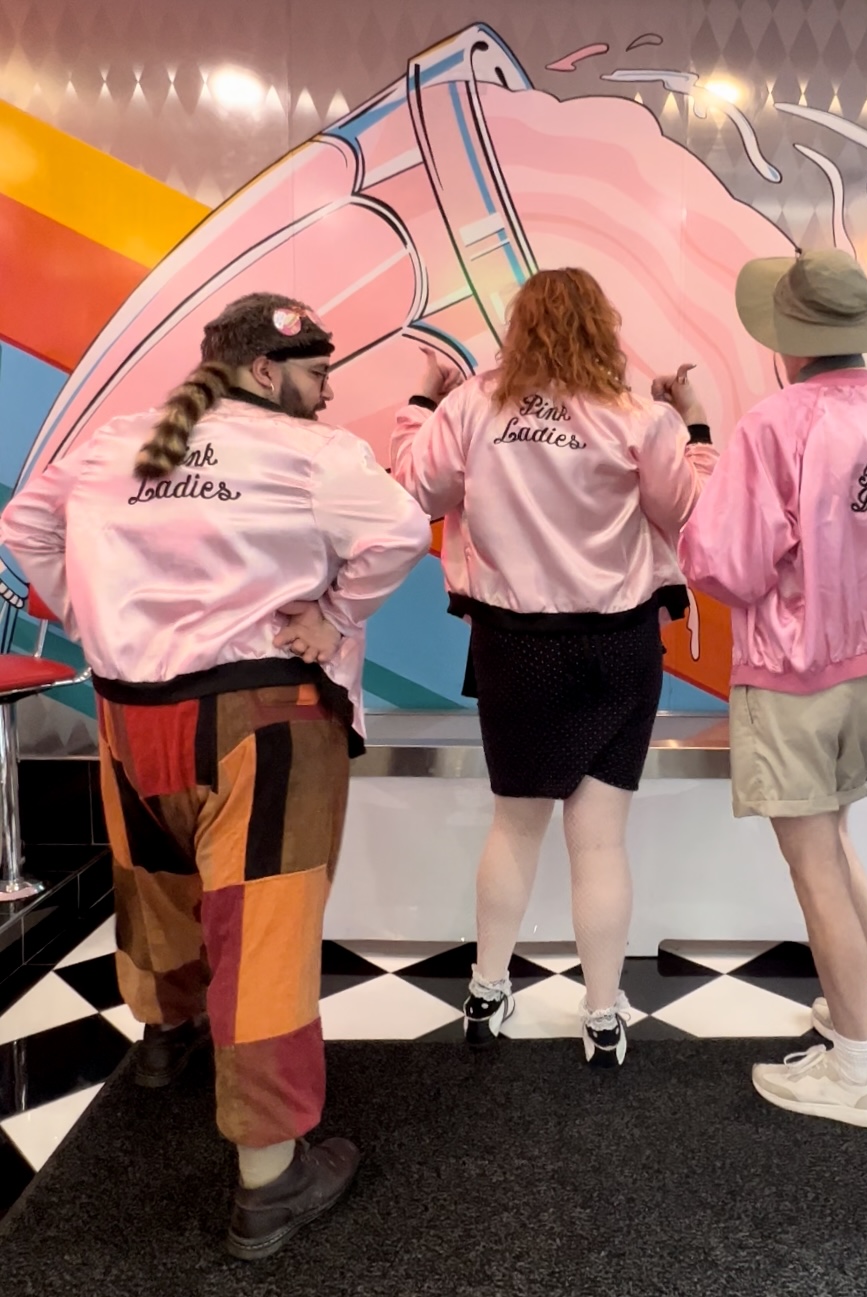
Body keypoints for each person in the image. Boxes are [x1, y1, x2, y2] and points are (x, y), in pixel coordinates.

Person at [0, 294, 432, 1259]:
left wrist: (94, 612)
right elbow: (403, 530)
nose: (326, 392)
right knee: (264, 933)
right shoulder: (315, 455)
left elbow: (23, 525)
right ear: (266, 370)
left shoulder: (115, 441)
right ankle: (270, 1179)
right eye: (317, 374)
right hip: (262, 722)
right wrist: (335, 615)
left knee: (155, 887)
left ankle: (166, 1038)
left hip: (130, 716)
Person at [392, 267, 716, 1066]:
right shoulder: (639, 417)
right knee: (599, 841)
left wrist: (423, 399)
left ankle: (484, 992)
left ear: (519, 326)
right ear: (603, 328)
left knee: (513, 825)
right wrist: (695, 424)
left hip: (513, 645)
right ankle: (602, 1015)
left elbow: (414, 490)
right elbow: (689, 512)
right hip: (618, 645)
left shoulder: (472, 406)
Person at [679, 248, 867, 1128]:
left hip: (792, 671)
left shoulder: (777, 424)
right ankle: (864, 1019)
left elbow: (726, 563)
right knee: (835, 842)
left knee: (813, 865)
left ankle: (855, 1071)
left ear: (788, 332)